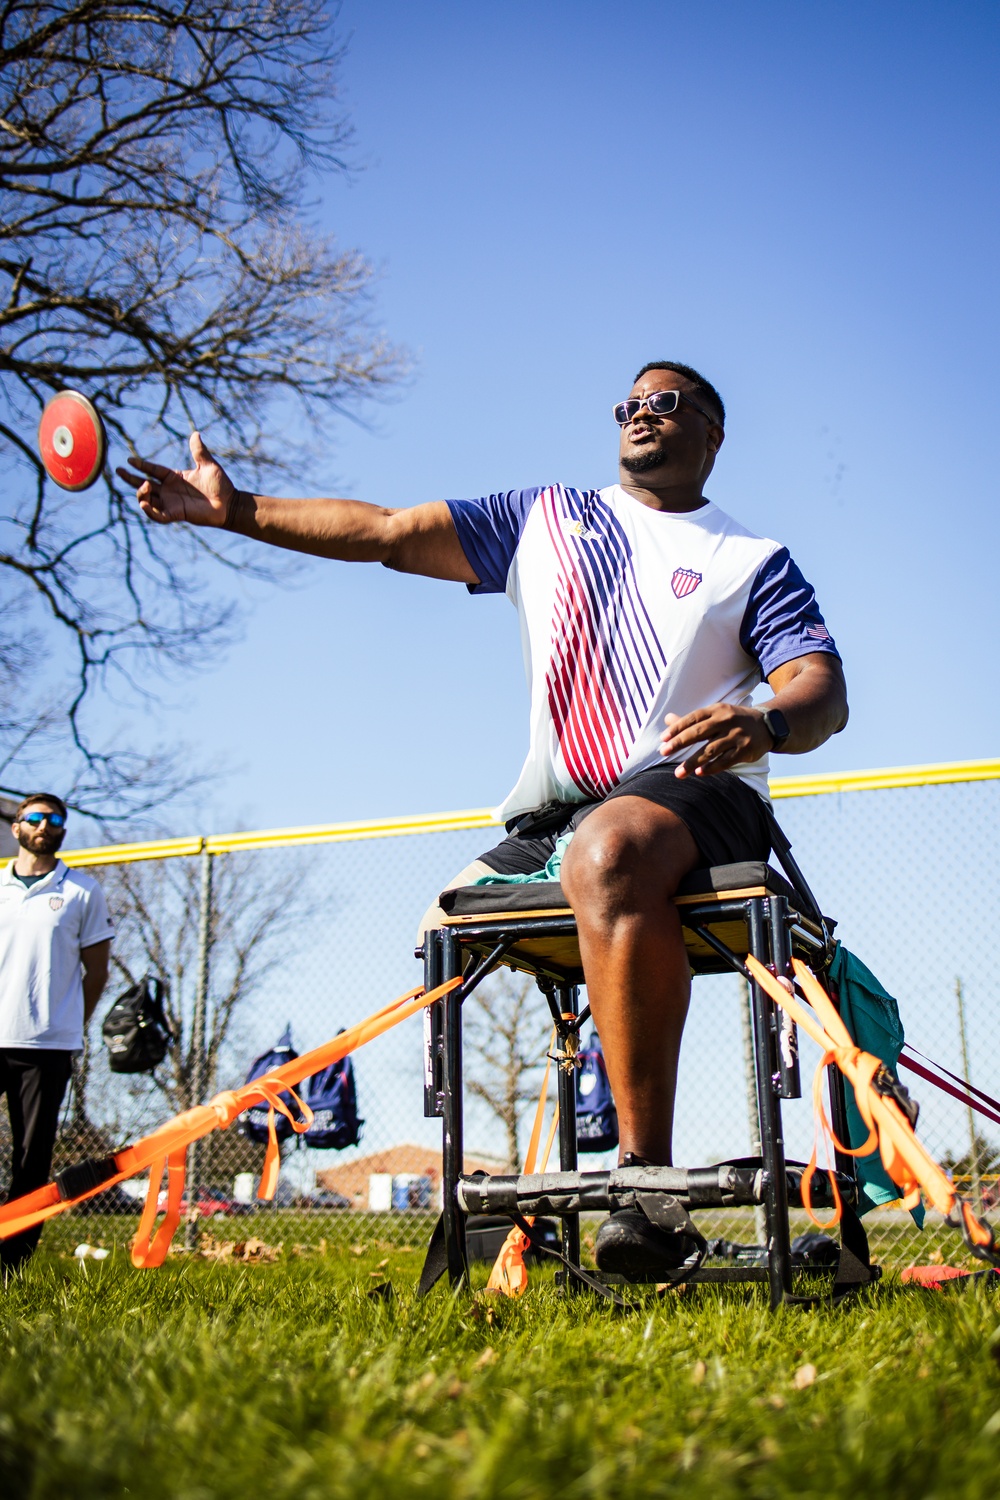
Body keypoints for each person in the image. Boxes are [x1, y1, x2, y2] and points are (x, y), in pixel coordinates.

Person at [119, 360, 847, 1278]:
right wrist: (238, 511)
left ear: (713, 432)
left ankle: (644, 1191)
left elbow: (823, 691)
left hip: (702, 791)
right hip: (563, 815)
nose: (640, 415)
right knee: (455, 909)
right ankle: (488, 1231)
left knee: (611, 850)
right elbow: (386, 533)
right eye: (627, 404)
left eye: (665, 403)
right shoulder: (547, 520)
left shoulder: (750, 559)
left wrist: (766, 720)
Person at [0, 794, 114, 1271]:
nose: (45, 825)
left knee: (32, 1160)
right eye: (36, 817)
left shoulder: (83, 892)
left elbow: (98, 972)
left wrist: (70, 1024)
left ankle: (10, 1266)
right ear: (16, 828)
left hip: (47, 1045)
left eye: (56, 819)